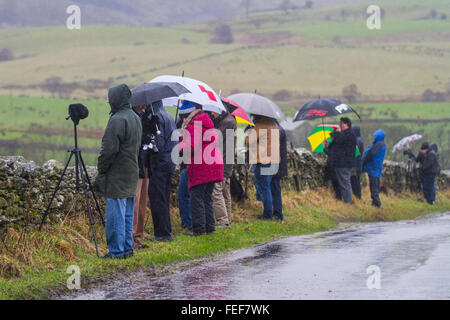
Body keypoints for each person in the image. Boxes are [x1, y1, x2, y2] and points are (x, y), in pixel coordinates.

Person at [95, 84, 142, 259]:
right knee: (128, 213)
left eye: (110, 98)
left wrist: (102, 169)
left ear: (116, 99)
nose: (108, 101)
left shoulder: (117, 119)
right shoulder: (135, 117)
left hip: (117, 173)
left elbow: (109, 150)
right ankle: (127, 248)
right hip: (132, 170)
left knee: (116, 214)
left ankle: (116, 251)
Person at [179, 103, 223, 236]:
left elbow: (191, 146)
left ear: (187, 116)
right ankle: (210, 228)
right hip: (213, 165)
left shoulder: (195, 125)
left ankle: (199, 230)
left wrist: (180, 146)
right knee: (207, 198)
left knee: (196, 198)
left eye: (183, 118)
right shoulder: (206, 122)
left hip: (202, 166)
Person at [145, 100, 177, 242]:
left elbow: (158, 143)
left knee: (157, 198)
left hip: (160, 162)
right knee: (164, 197)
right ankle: (166, 231)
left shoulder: (156, 117)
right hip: (170, 161)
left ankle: (162, 234)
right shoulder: (167, 114)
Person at [245, 115, 284, 221]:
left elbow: (248, 141)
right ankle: (278, 214)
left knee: (265, 187)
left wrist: (249, 131)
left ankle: (267, 215)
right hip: (275, 160)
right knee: (275, 188)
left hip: (263, 160)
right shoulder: (275, 124)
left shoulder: (261, 124)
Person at [211, 111, 237, 228]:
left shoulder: (226, 123)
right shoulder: (231, 121)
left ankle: (223, 221)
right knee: (226, 192)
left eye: (213, 112)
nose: (212, 114)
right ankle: (228, 220)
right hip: (228, 162)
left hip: (222, 162)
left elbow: (215, 140)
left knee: (216, 191)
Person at [326, 117, 356, 205]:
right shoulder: (348, 134)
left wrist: (336, 133)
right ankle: (347, 201)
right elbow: (339, 144)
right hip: (344, 163)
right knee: (344, 183)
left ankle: (348, 202)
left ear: (346, 124)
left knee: (345, 183)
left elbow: (339, 139)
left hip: (344, 163)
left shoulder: (348, 134)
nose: (340, 125)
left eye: (342, 123)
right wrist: (329, 144)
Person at [132, 104, 150, 249]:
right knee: (136, 200)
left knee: (142, 201)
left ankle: (138, 236)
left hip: (144, 163)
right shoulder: (132, 117)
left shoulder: (144, 116)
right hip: (136, 164)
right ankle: (132, 237)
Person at [176, 101, 194, 231]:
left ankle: (188, 222)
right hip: (190, 164)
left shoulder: (188, 125)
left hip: (187, 165)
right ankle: (189, 221)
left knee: (183, 194)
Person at [362, 129, 386, 208]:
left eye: (375, 136)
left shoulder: (378, 145)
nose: (374, 137)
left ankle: (377, 203)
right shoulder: (381, 144)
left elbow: (371, 154)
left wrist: (364, 161)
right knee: (375, 186)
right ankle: (375, 202)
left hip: (373, 168)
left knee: (374, 186)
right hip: (376, 168)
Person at [324, 129, 342, 201]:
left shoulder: (336, 143)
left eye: (332, 136)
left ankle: (339, 197)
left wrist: (325, 147)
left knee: (335, 181)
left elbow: (330, 153)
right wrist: (328, 143)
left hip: (333, 165)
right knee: (336, 181)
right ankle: (338, 196)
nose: (331, 138)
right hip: (336, 165)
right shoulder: (336, 143)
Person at [351, 126, 364, 200]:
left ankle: (358, 197)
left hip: (356, 164)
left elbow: (355, 153)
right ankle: (358, 196)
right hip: (358, 164)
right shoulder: (359, 139)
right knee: (357, 181)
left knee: (356, 181)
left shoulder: (357, 141)